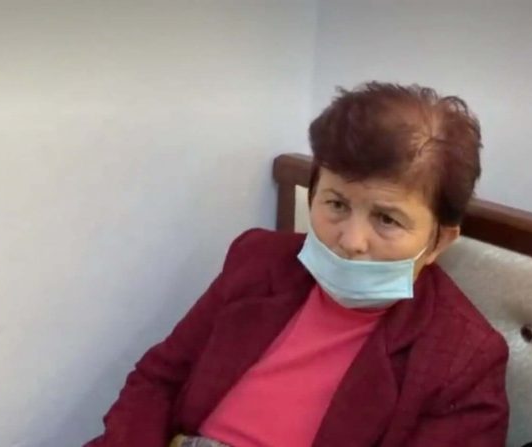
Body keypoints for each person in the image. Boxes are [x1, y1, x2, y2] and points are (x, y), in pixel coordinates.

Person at [84, 82, 509, 447]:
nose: (351, 241)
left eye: (386, 219)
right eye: (336, 204)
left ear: (439, 241)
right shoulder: (257, 260)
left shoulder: (464, 359)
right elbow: (158, 380)